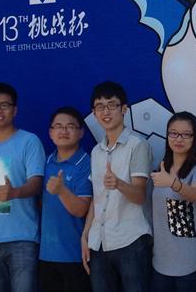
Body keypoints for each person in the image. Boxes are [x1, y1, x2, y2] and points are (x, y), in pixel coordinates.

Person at [0, 82, 46, 292]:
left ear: (15, 110)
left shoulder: (29, 141)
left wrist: (15, 192)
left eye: (4, 105)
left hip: (22, 238)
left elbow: (36, 183)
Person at [81, 81, 152, 292]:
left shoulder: (137, 145)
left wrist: (119, 184)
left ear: (124, 108)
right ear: (94, 113)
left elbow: (140, 195)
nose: (106, 112)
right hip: (99, 242)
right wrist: (86, 235)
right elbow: (97, 198)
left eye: (111, 105)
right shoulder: (96, 152)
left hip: (130, 240)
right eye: (99, 107)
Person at [150, 111, 196, 292]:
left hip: (190, 263)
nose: (178, 139)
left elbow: (195, 194)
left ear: (195, 138)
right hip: (160, 263)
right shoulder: (160, 169)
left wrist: (173, 183)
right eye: (173, 133)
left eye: (186, 134)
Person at [39, 106, 92, 292]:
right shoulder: (45, 162)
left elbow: (81, 210)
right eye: (58, 126)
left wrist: (61, 191)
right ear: (50, 133)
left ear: (81, 132)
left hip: (75, 256)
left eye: (70, 126)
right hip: (46, 254)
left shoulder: (87, 163)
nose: (63, 131)